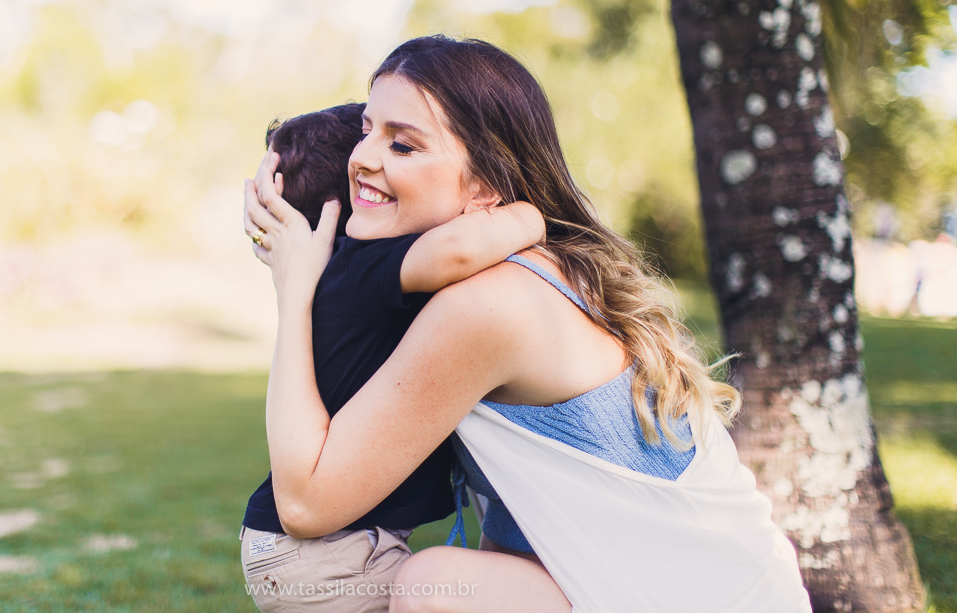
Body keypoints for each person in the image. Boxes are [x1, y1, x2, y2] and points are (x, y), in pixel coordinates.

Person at [244, 35, 812, 613]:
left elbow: (306, 505)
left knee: (433, 585)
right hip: (723, 584)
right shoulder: (534, 265)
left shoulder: (488, 304)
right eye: (367, 130)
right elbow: (526, 521)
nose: (362, 158)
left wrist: (296, 294)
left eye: (405, 146)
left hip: (701, 597)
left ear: (485, 188)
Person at [242, 102, 545, 613]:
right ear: (360, 197)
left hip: (292, 551)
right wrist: (530, 213)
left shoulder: (328, 279)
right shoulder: (365, 267)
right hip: (331, 554)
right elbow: (454, 251)